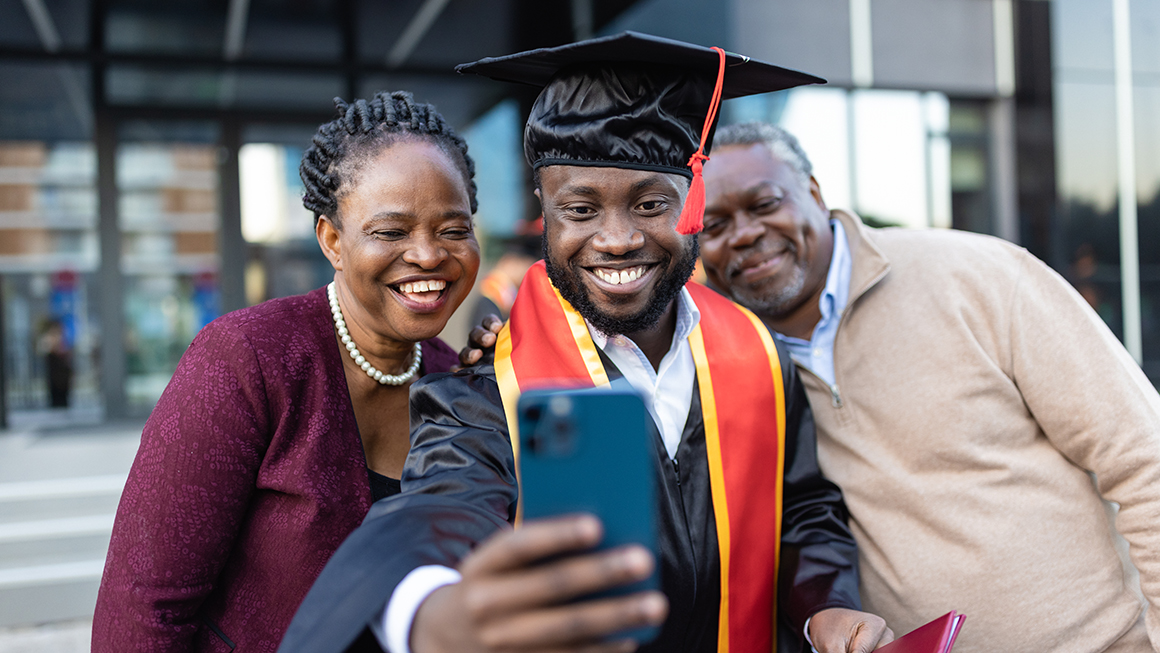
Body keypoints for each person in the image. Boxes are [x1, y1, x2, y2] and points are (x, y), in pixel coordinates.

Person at [280, 32, 891, 653]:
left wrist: (827, 607)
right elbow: (440, 512)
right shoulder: (488, 390)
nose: (619, 238)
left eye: (652, 203)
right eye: (581, 209)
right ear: (544, 212)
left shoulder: (757, 354)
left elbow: (805, 512)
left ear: (692, 205)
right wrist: (429, 608)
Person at [696, 122, 1160, 653]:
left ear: (816, 194)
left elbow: (1144, 456)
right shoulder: (725, 367)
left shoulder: (978, 275)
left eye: (763, 203)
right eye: (715, 223)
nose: (745, 233)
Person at [92, 91, 481, 651]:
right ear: (332, 240)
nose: (427, 255)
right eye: (391, 232)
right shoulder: (247, 359)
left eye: (453, 229)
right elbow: (143, 609)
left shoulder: (457, 380)